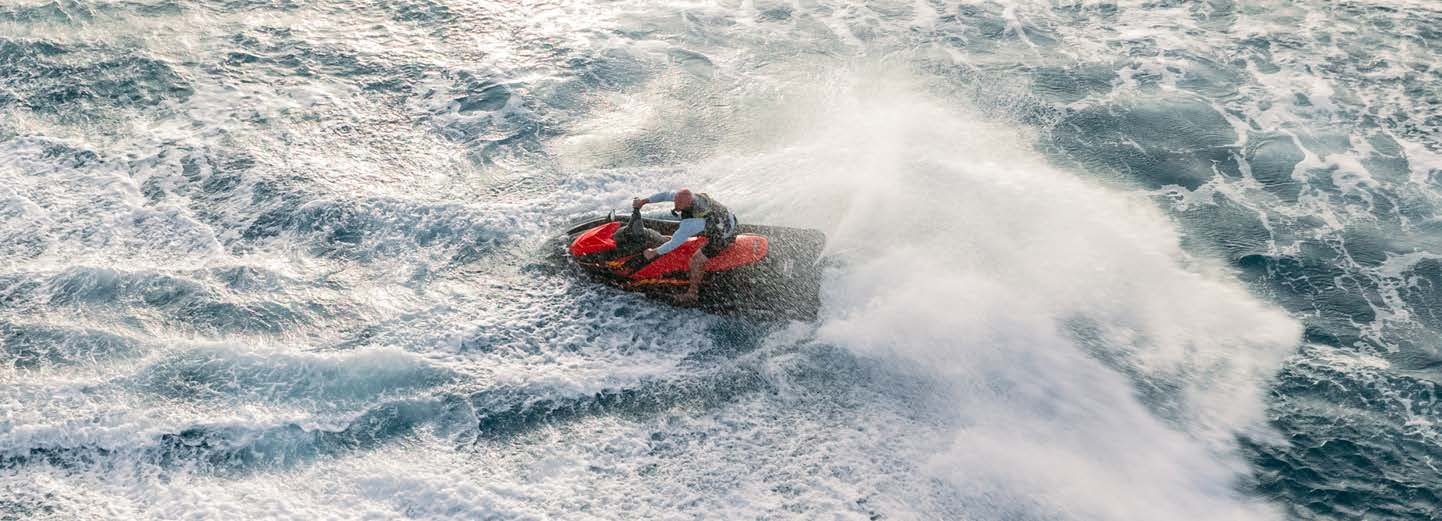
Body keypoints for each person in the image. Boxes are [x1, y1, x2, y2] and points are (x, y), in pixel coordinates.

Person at [631, 188, 737, 302]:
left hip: (725, 235)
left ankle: (692, 293)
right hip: (725, 219)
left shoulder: (692, 223)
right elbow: (666, 195)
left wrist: (654, 252)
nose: (675, 205)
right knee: (684, 235)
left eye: (679, 204)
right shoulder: (688, 197)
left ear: (688, 203)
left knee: (696, 260)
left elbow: (673, 244)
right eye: (675, 201)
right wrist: (643, 201)